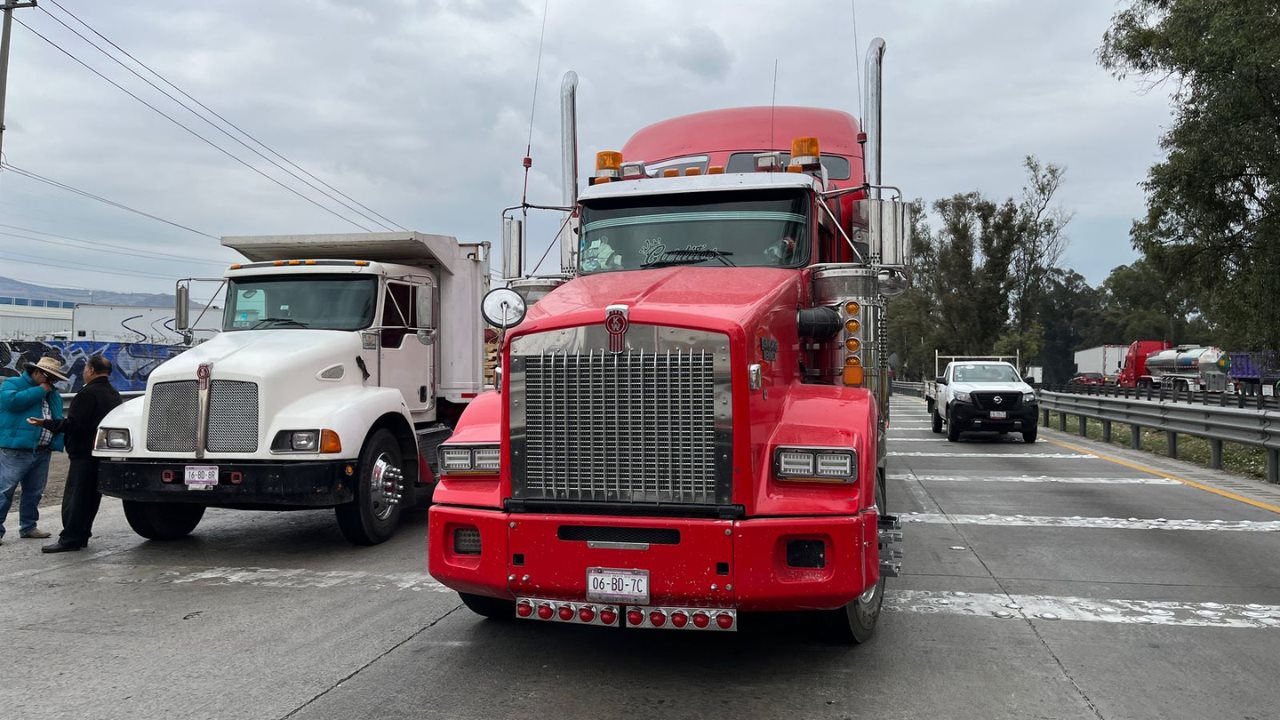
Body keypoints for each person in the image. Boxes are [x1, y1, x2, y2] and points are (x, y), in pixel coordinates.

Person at [29, 354, 122, 553]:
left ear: (90, 371)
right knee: (90, 498)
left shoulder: (87, 394)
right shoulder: (113, 393)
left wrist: (45, 423)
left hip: (83, 453)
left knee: (76, 498)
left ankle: (70, 538)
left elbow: (74, 425)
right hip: (100, 453)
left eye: (84, 370)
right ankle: (81, 535)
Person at [0, 356, 68, 545]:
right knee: (5, 490)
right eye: (50, 378)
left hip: (42, 449)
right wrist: (39, 390)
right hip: (15, 449)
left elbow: (56, 416)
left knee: (34, 491)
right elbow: (11, 402)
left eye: (54, 380)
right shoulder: (13, 384)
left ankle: (28, 526)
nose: (52, 383)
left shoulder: (52, 393)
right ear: (37, 373)